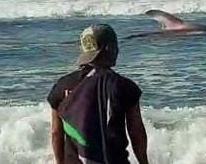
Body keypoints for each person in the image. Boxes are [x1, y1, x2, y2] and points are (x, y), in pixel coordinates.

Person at [47, 24, 149, 164]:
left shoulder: (62, 86)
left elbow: (56, 133)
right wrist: (144, 162)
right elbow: (136, 131)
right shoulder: (124, 87)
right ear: (110, 48)